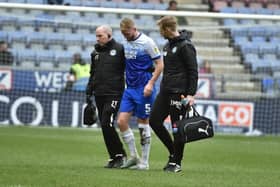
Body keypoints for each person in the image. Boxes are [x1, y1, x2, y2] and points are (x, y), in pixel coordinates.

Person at [149, 16, 198, 173]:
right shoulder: (166, 46)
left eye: (161, 29)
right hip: (165, 91)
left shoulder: (186, 46)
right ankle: (173, 152)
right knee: (154, 121)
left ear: (168, 29)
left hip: (180, 93)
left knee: (177, 127)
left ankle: (176, 162)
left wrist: (190, 94)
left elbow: (193, 71)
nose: (160, 33)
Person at [118, 18, 163, 170]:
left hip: (144, 88)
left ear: (134, 28)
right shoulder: (125, 43)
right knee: (121, 122)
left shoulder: (147, 42)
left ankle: (144, 162)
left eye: (127, 33)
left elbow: (160, 64)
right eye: (123, 33)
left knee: (143, 123)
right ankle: (133, 156)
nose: (125, 36)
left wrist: (151, 83)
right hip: (129, 88)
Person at [86, 25, 127, 168]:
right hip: (99, 93)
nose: (97, 38)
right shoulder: (95, 52)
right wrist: (89, 91)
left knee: (106, 123)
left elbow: (131, 67)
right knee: (104, 126)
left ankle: (121, 155)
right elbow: (93, 73)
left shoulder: (120, 49)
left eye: (100, 36)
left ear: (109, 35)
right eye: (96, 36)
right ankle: (113, 156)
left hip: (114, 93)